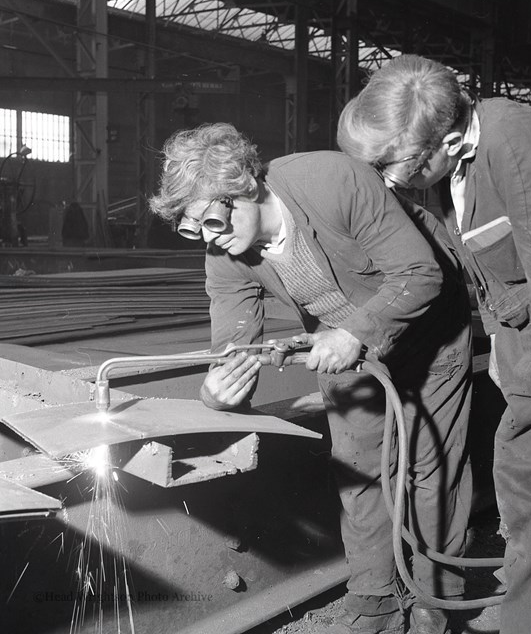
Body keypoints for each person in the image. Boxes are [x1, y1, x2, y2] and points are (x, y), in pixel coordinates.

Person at [337, 54, 531, 634]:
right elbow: (500, 269)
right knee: (521, 481)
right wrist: (514, 365)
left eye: (391, 165)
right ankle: (526, 623)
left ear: (449, 141)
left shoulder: (522, 151)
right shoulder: (452, 163)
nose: (386, 180)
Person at [149, 123, 474, 634]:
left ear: (247, 186)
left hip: (428, 324)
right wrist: (219, 387)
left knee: (430, 469)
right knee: (360, 468)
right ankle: (375, 600)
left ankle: (439, 595)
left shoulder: (333, 180)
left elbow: (420, 273)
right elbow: (233, 336)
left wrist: (354, 332)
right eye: (195, 230)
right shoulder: (226, 251)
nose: (210, 239)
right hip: (343, 338)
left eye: (212, 220)